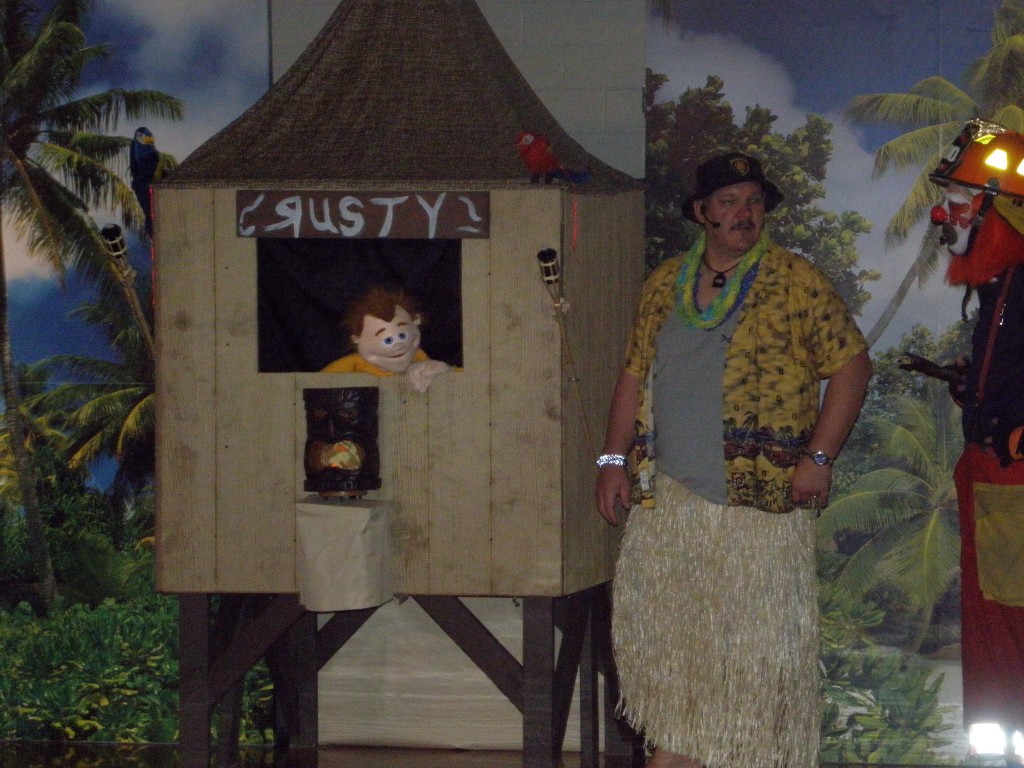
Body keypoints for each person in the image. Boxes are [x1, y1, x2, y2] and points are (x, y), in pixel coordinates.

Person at [595, 151, 872, 768]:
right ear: (701, 212)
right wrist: (612, 459)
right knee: (676, 649)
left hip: (757, 506)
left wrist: (819, 456)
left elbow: (853, 366)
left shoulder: (796, 279)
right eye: (728, 202)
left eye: (753, 201)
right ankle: (676, 752)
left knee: (753, 657)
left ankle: (743, 755)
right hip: (670, 501)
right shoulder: (665, 282)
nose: (744, 213)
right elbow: (634, 373)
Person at [927, 121, 1024, 763]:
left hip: (1013, 484)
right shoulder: (1002, 287)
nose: (945, 216)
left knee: (1009, 625)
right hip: (993, 480)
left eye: (960, 202)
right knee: (995, 626)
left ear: (1004, 206)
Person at [321, 285, 450, 392]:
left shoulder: (418, 356)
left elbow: (455, 377)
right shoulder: (354, 363)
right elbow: (317, 384)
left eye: (402, 336)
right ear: (356, 339)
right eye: (388, 340)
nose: (398, 346)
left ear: (416, 321)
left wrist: (442, 371)